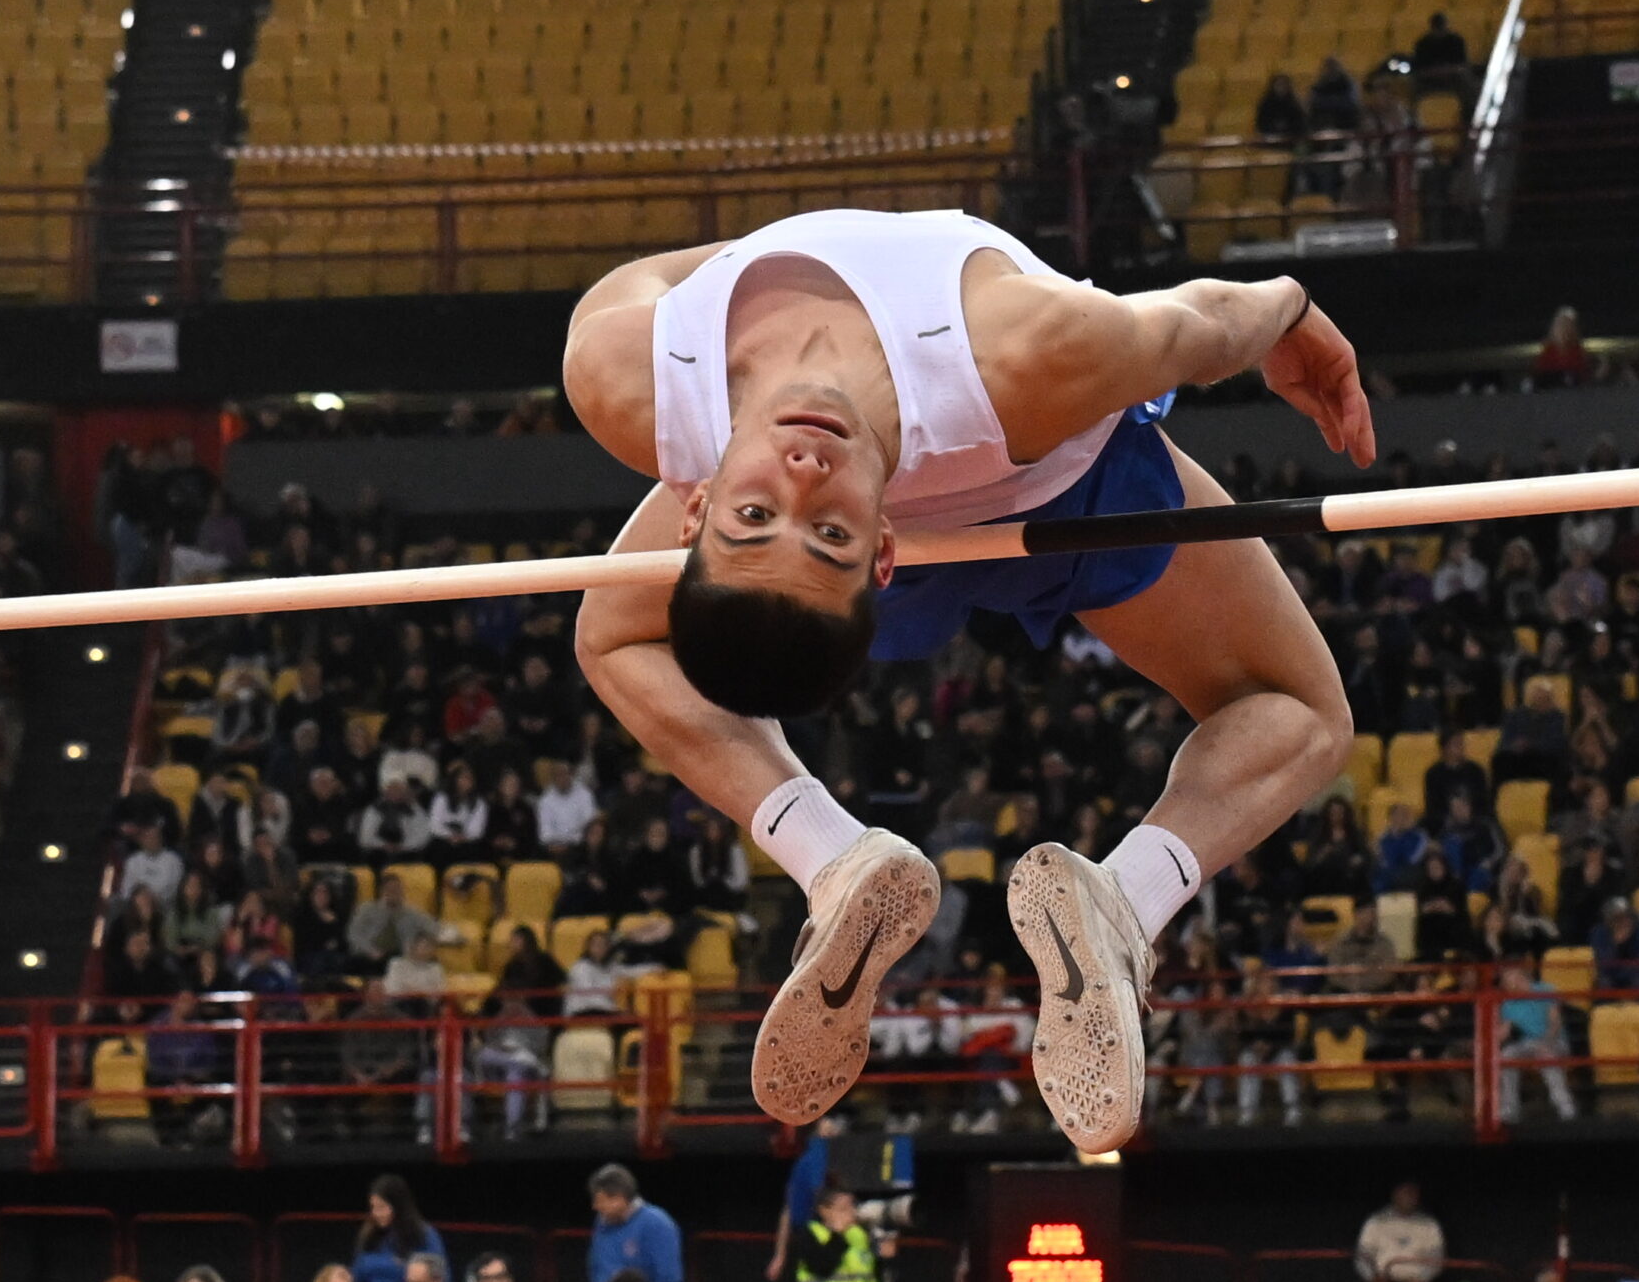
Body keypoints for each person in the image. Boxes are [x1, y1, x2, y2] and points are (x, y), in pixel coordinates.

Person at [562, 208, 1367, 1155]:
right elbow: (1202, 323)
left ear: (694, 502)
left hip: (1040, 466)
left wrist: (763, 256)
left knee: (614, 633)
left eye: (755, 513)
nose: (802, 472)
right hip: (1059, 472)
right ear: (884, 555)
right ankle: (1113, 901)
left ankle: (847, 860)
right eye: (819, 529)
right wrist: (1293, 305)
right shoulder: (1032, 350)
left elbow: (1190, 332)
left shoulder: (628, 371)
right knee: (1302, 711)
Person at [588, 1162, 684, 1282]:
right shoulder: (602, 1223)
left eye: (600, 1201)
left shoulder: (657, 1223)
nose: (595, 1207)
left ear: (618, 1198)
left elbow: (668, 1278)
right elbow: (596, 1268)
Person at [1496, 958, 1579, 1122]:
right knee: (1505, 1056)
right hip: (1526, 1044)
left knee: (1546, 1056)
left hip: (1553, 1040)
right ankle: (1509, 1109)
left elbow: (1555, 1022)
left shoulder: (1545, 989)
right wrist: (1501, 1031)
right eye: (1504, 982)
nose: (1506, 985)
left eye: (1509, 979)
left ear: (1521, 978)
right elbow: (1502, 1032)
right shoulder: (1507, 1004)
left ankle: (1566, 1108)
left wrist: (1546, 1043)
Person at [351, 1174, 447, 1282]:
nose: (376, 1213)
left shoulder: (424, 1235)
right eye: (373, 1207)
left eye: (382, 1207)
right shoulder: (369, 1238)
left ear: (398, 1206)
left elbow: (441, 1281)